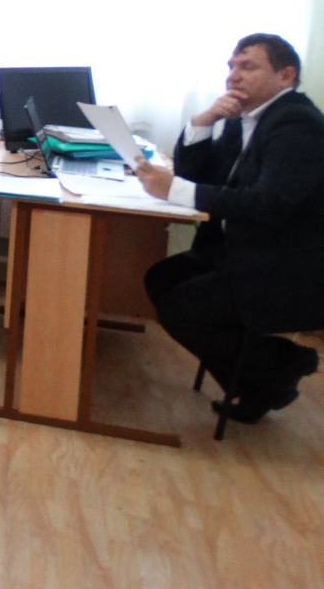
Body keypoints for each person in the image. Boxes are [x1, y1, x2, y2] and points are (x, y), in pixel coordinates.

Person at [136, 33, 324, 423]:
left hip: (285, 267)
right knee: (161, 278)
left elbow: (268, 204)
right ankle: (259, 383)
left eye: (248, 67)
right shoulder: (247, 119)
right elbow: (201, 177)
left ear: (286, 75)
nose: (233, 76)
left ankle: (281, 364)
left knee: (180, 309)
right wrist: (203, 123)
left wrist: (173, 189)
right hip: (239, 250)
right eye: (231, 66)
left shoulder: (297, 124)